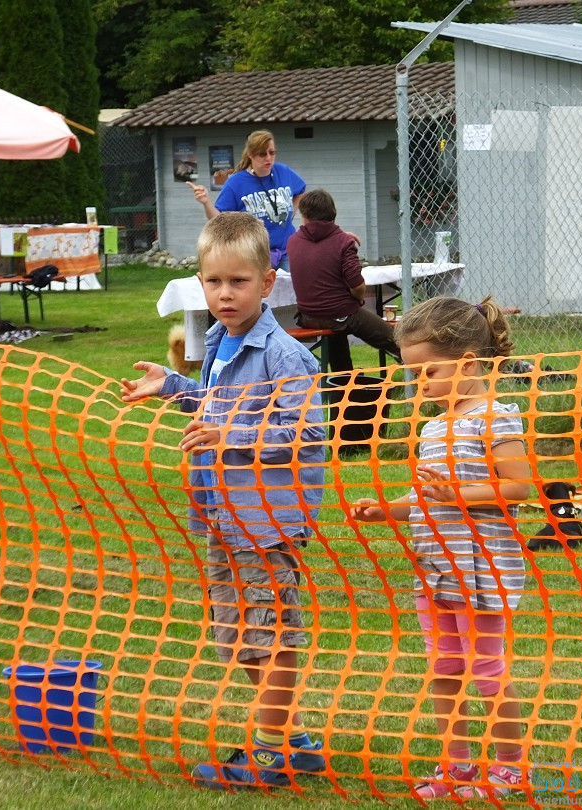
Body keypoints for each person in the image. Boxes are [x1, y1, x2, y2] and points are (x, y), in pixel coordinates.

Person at [120, 212, 328, 789]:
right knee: (243, 637)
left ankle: (269, 753)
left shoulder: (285, 356)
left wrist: (231, 434)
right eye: (214, 282)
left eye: (238, 282)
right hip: (223, 515)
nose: (225, 293)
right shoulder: (216, 340)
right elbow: (215, 408)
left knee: (273, 633)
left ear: (267, 283)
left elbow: (309, 435)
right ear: (200, 282)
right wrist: (175, 387)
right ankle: (296, 741)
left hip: (264, 521)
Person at [349, 295, 532, 800]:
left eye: (427, 371)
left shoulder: (495, 418)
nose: (419, 384)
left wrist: (459, 495)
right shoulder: (432, 428)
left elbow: (518, 488)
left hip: (481, 570)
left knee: (487, 670)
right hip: (435, 570)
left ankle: (511, 767)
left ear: (468, 363)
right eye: (413, 374)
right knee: (445, 670)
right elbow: (424, 499)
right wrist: (386, 509)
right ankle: (457, 767)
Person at [288, 189, 400, 372]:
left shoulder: (292, 241)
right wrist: (356, 298)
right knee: (393, 338)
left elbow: (318, 245)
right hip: (340, 313)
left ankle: (342, 388)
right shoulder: (343, 243)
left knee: (336, 338)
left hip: (308, 316)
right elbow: (357, 286)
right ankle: (420, 368)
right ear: (333, 213)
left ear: (304, 215)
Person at [187, 130, 306, 271]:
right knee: (261, 292)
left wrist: (291, 212)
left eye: (272, 152)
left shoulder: (283, 172)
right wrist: (206, 202)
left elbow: (300, 190)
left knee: (289, 291)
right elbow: (218, 219)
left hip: (286, 250)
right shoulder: (236, 182)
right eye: (262, 154)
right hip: (255, 254)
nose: (268, 158)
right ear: (250, 154)